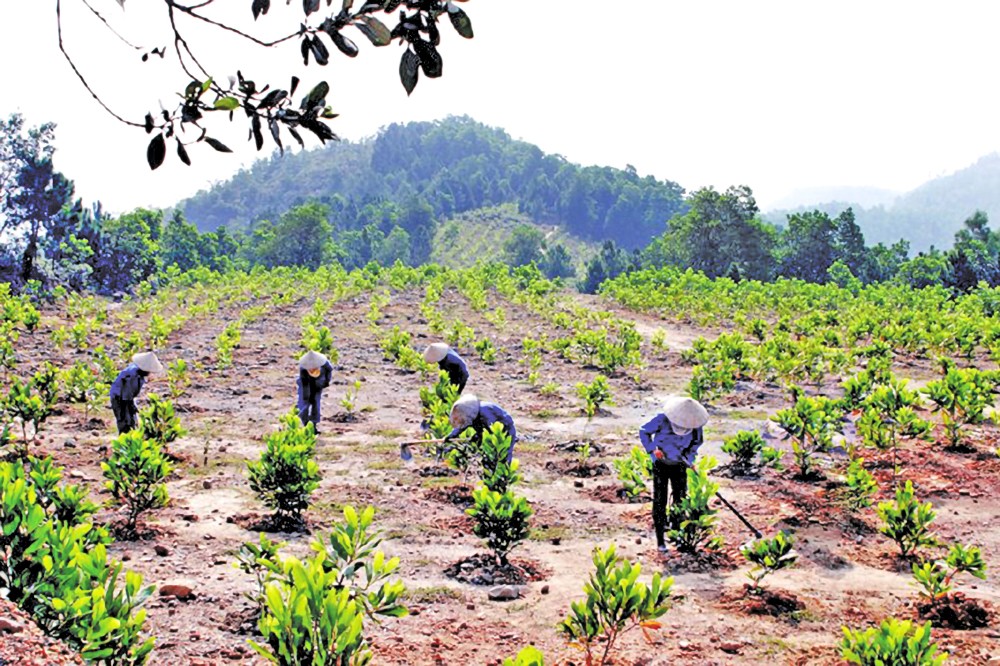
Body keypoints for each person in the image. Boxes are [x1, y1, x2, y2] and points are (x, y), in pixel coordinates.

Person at [639, 395, 709, 552]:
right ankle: (660, 540)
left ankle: (677, 532)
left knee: (680, 499)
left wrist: (689, 458)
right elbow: (644, 431)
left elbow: (697, 442)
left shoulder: (695, 426)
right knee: (660, 499)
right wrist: (652, 449)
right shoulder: (662, 420)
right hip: (661, 465)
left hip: (680, 465)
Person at [445, 393, 517, 462]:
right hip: (489, 430)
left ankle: (503, 472)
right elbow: (462, 426)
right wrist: (451, 436)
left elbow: (491, 429)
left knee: (504, 454)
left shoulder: (485, 411)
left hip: (506, 430)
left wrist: (478, 436)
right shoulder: (472, 414)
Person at [109, 351, 164, 434]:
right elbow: (126, 394)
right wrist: (130, 406)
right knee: (124, 420)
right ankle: (125, 440)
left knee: (131, 420)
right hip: (119, 397)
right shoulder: (132, 374)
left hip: (126, 397)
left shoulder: (138, 373)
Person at [297, 350, 333, 433]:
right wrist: (307, 396)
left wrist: (326, 382)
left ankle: (314, 425)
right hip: (305, 384)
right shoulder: (303, 368)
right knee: (304, 403)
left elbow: (329, 372)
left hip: (318, 384)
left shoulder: (325, 364)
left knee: (316, 404)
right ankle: (305, 423)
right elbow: (304, 383)